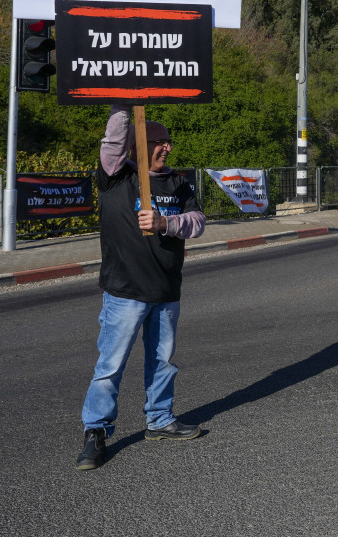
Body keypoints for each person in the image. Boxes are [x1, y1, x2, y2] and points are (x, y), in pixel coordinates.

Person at [76, 105, 207, 471]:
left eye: (168, 142)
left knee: (162, 362)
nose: (166, 148)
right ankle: (96, 432)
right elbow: (113, 141)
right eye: (157, 142)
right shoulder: (117, 176)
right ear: (137, 145)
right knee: (111, 365)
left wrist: (166, 222)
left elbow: (197, 222)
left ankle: (160, 420)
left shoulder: (179, 182)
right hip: (124, 291)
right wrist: (126, 98)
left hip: (166, 290)